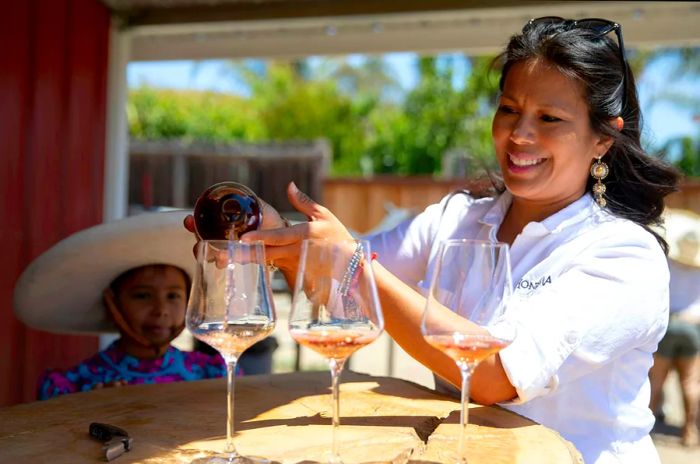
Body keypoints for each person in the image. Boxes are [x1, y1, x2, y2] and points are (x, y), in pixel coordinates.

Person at [184, 16, 682, 463]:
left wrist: (351, 261)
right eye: (509, 109)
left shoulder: (623, 255)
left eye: (549, 119)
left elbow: (496, 377)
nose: (519, 134)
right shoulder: (459, 218)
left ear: (603, 138)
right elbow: (344, 293)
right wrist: (279, 243)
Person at [14, 211, 227, 400]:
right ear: (112, 303)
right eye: (143, 296)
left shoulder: (211, 374)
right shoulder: (75, 387)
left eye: (173, 296)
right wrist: (85, 408)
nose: (161, 310)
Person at [649, 209, 700, 447]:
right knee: (690, 382)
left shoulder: (667, 260)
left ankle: (646, 428)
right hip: (692, 328)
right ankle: (689, 431)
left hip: (669, 323)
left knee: (656, 380)